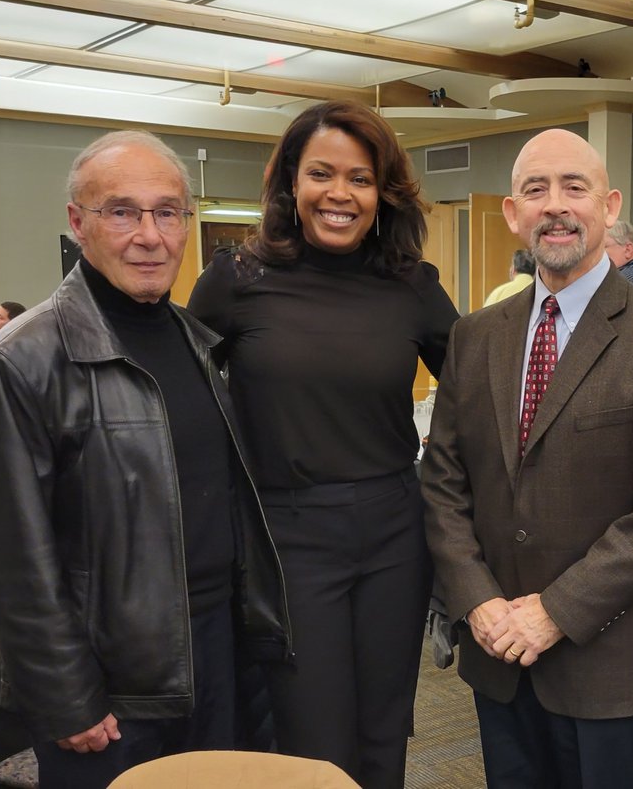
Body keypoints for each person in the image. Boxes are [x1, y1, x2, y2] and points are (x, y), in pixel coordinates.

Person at [0, 130, 290, 789]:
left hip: (216, 656)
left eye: (167, 211)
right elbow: (12, 558)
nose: (150, 234)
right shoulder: (23, 360)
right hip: (110, 686)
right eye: (122, 212)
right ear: (78, 223)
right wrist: (63, 694)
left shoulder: (200, 345)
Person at [421, 129, 633, 788]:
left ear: (608, 207)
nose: (555, 206)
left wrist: (554, 610)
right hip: (498, 657)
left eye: (574, 188)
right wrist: (477, 601)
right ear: (512, 214)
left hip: (606, 664)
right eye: (536, 189)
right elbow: (442, 481)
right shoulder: (473, 338)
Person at [188, 100, 459, 788]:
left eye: (360, 178)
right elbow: (181, 399)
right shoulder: (235, 281)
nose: (340, 194)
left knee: (383, 731)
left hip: (396, 531)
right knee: (314, 737)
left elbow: (476, 395)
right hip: (287, 538)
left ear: (383, 192)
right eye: (321, 174)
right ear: (290, 184)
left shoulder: (412, 287)